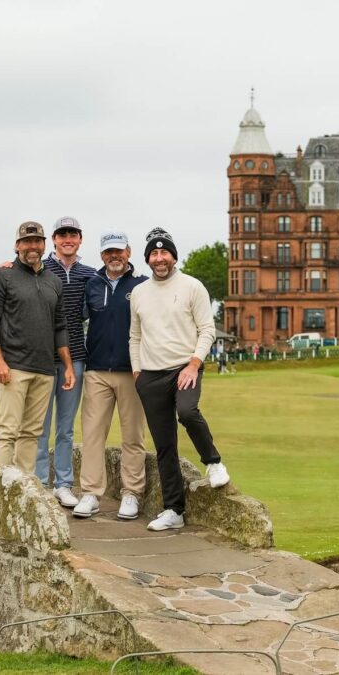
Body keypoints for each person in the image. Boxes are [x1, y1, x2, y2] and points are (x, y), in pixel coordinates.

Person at [130, 227, 230, 532]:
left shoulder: (192, 287)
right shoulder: (138, 293)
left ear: (174, 256)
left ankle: (213, 462)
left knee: (187, 412)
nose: (160, 259)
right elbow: (135, 336)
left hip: (185, 368)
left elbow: (207, 330)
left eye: (165, 253)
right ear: (148, 259)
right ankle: (174, 510)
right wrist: (137, 373)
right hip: (150, 374)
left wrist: (194, 364)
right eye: (154, 254)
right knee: (164, 445)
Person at [0, 220, 75, 476]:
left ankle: (23, 490)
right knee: (7, 432)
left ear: (45, 245)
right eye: (26, 241)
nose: (32, 246)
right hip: (13, 366)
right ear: (17, 245)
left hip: (45, 369)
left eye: (37, 241)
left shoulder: (53, 281)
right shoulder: (2, 275)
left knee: (31, 434)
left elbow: (60, 326)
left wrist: (67, 365)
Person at [73, 230, 149, 520]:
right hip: (96, 370)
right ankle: (91, 493)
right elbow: (74, 316)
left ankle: (131, 493)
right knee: (92, 435)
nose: (114, 256)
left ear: (128, 252)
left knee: (133, 435)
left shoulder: (142, 285)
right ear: (102, 254)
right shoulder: (92, 284)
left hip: (132, 371)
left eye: (119, 251)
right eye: (108, 252)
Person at [34, 216, 95, 508]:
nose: (68, 239)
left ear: (80, 239)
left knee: (66, 427)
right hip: (44, 358)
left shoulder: (89, 274)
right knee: (40, 426)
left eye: (73, 234)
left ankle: (63, 484)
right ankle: (39, 483)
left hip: (77, 358)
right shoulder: (40, 269)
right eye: (62, 235)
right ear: (54, 240)